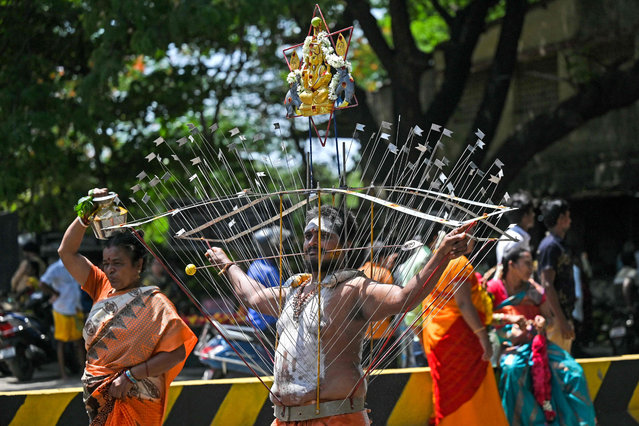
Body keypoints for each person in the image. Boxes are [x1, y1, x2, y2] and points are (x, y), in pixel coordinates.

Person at [205, 205, 471, 425]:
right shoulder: (294, 290)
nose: (312, 242)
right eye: (309, 235)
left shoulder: (355, 289)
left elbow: (404, 298)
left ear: (347, 245)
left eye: (324, 235)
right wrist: (226, 264)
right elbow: (253, 297)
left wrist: (441, 256)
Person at [58, 188, 197, 425]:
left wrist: (131, 376)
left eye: (118, 263)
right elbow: (67, 252)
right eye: (107, 263)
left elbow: (177, 352)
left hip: (137, 400)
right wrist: (84, 217)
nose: (110, 269)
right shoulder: (101, 286)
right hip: (98, 397)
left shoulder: (155, 303)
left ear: (138, 265)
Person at [486, 247, 596, 425]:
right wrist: (509, 319)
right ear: (511, 265)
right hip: (509, 348)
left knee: (573, 370)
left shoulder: (534, 290)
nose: (532, 268)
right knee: (514, 370)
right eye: (527, 264)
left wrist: (543, 322)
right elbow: (484, 317)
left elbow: (549, 319)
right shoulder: (492, 289)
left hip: (538, 346)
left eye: (532, 264)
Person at [420, 229, 508, 426]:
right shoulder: (458, 262)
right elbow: (464, 303)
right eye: (472, 237)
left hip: (436, 334)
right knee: (472, 392)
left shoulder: (437, 260)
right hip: (458, 337)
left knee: (449, 394)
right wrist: (483, 336)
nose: (474, 241)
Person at [537, 198, 575, 353]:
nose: (570, 220)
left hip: (564, 315)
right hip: (557, 319)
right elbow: (547, 284)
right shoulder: (550, 246)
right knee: (558, 368)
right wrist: (562, 321)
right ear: (561, 219)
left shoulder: (558, 244)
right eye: (568, 216)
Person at [40, 258, 85, 380]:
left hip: (75, 308)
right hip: (62, 309)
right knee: (61, 342)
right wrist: (55, 293)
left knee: (80, 341)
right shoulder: (55, 268)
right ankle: (63, 373)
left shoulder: (75, 264)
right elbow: (42, 283)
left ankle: (83, 372)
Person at [245, 226, 291, 346]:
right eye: (277, 245)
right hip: (267, 324)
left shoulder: (256, 265)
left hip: (258, 322)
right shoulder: (268, 270)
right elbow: (282, 299)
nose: (280, 248)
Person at [358, 239, 399, 367]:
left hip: (360, 336)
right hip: (383, 336)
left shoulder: (357, 273)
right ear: (381, 257)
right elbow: (392, 304)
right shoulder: (384, 273)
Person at [495, 191, 535, 266]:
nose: (533, 215)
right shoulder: (517, 240)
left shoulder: (510, 235)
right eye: (531, 212)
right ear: (524, 216)